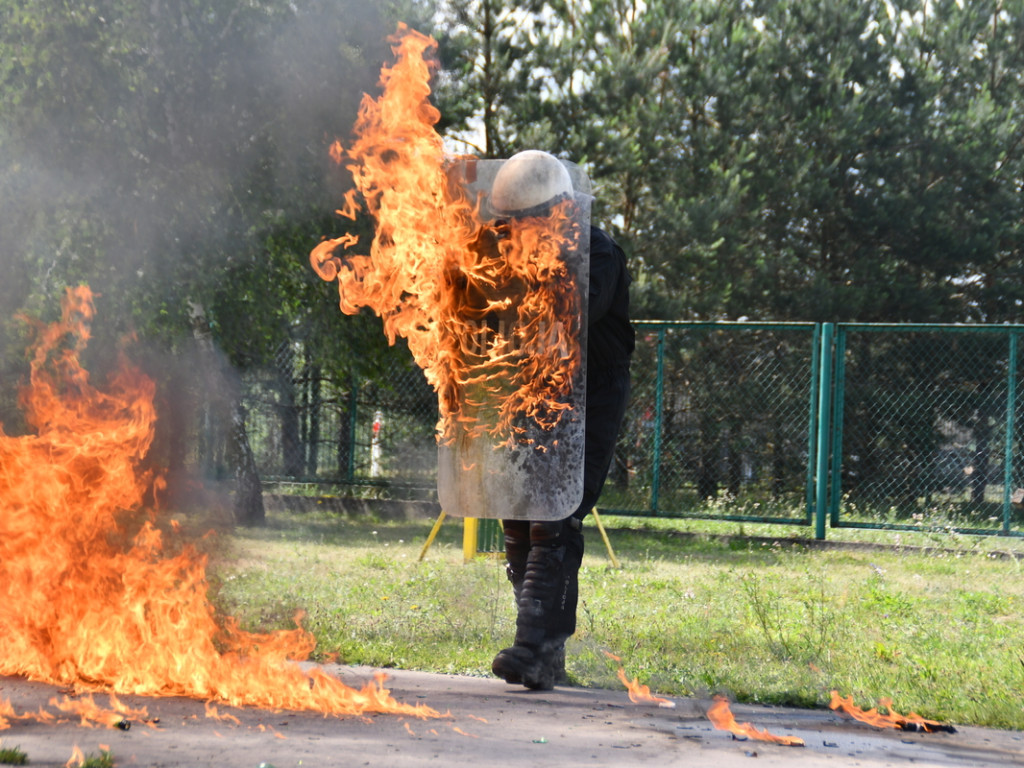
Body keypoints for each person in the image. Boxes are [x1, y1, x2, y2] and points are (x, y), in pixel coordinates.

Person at [486, 150, 635, 690]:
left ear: (554, 209)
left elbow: (570, 314)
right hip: (538, 386)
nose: (516, 231)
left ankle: (533, 647)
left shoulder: (596, 251)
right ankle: (546, 656)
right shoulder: (517, 250)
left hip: (592, 391)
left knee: (556, 514)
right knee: (518, 515)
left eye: (525, 220)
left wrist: (517, 275)